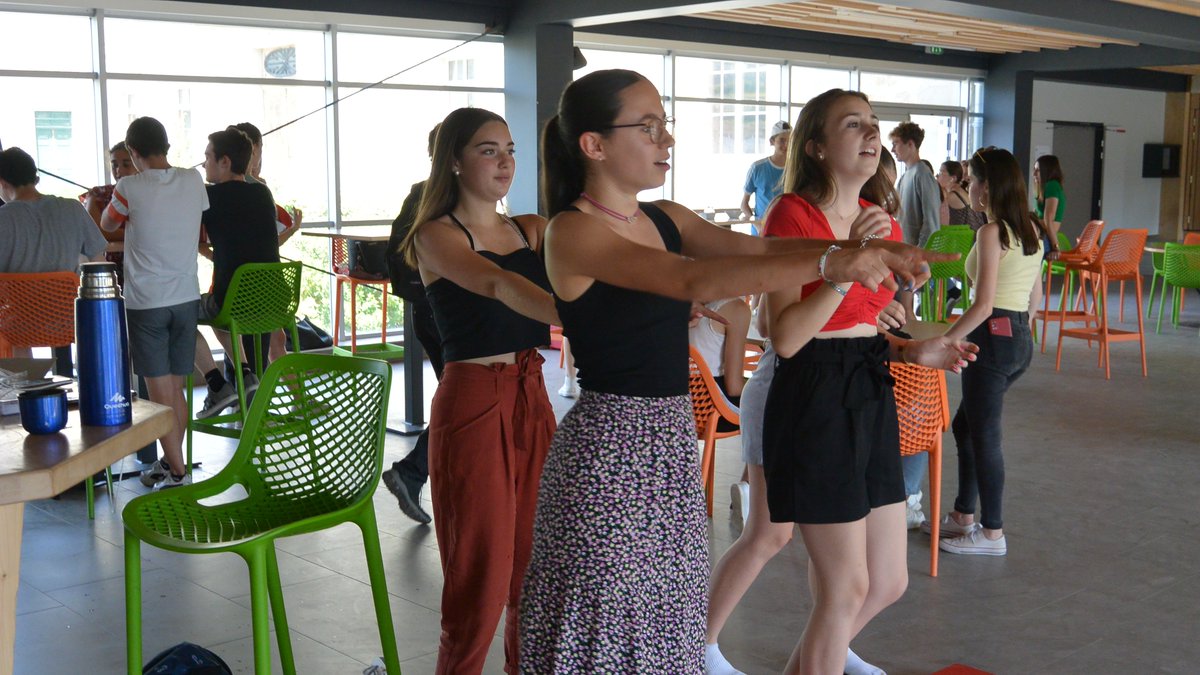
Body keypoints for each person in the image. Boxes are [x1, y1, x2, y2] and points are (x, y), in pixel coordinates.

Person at [520, 69, 958, 673]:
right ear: (593, 145)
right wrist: (839, 268)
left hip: (668, 436)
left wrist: (867, 255)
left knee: (668, 616)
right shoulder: (573, 231)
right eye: (648, 128)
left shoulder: (666, 217)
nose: (665, 141)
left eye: (664, 126)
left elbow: (756, 250)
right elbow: (690, 279)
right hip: (610, 447)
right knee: (607, 621)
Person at [756, 89, 976, 675]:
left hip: (869, 385)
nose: (871, 133)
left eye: (874, 123)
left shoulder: (880, 216)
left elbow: (866, 326)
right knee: (845, 587)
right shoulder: (792, 216)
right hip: (813, 394)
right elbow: (785, 337)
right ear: (818, 146)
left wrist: (912, 350)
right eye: (853, 125)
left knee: (888, 580)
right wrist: (845, 261)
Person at [397, 107, 558, 675]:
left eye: (510, 149)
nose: (506, 161)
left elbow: (600, 252)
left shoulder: (531, 229)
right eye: (489, 150)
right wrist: (584, 317)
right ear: (456, 162)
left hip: (530, 393)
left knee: (534, 572)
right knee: (480, 578)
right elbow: (497, 282)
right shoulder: (436, 235)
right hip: (473, 401)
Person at [927, 147, 1045, 557]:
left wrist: (945, 341)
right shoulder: (1032, 229)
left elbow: (981, 304)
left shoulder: (991, 233)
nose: (967, 186)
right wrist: (1015, 334)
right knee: (967, 427)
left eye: (971, 179)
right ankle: (963, 514)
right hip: (1018, 339)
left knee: (985, 437)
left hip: (992, 340)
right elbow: (1034, 299)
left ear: (987, 185)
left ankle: (992, 533)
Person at [101, 117, 208, 490]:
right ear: (167, 145)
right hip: (186, 297)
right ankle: (170, 462)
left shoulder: (129, 186)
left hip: (147, 302)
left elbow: (108, 223)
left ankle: (178, 472)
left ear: (132, 151)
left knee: (160, 393)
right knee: (175, 388)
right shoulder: (193, 180)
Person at [189, 127, 282, 421]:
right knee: (219, 309)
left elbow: (186, 228)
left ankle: (218, 383)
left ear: (225, 162)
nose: (204, 164)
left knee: (178, 314)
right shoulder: (263, 192)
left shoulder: (210, 197)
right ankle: (245, 372)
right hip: (273, 300)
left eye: (207, 158)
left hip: (234, 302)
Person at [381, 123, 441, 526]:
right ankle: (412, 471)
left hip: (432, 312)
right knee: (465, 407)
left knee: (462, 404)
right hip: (440, 316)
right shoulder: (433, 197)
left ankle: (414, 472)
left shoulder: (425, 194)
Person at [0, 147, 107, 275]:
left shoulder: (3, 217)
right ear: (36, 179)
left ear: (3, 183)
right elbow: (100, 264)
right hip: (67, 295)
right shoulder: (74, 209)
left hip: (15, 295)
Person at [688, 296, 751, 429]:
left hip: (674, 406)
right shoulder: (736, 308)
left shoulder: (680, 298)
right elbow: (734, 387)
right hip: (708, 411)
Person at [739, 120, 791, 235]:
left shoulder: (796, 169)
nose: (786, 145)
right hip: (761, 232)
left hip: (788, 230)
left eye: (789, 140)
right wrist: (756, 224)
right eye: (782, 140)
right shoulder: (757, 168)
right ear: (772, 141)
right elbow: (744, 204)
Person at [937, 159, 985, 230]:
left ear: (952, 178)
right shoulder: (960, 191)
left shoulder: (951, 196)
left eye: (941, 172)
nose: (937, 176)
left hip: (965, 239)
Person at [1034, 154, 1065, 251]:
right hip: (1041, 235)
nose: (1034, 174)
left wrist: (1055, 246)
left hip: (1045, 237)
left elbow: (1048, 219)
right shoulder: (1048, 187)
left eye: (1038, 170)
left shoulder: (1052, 185)